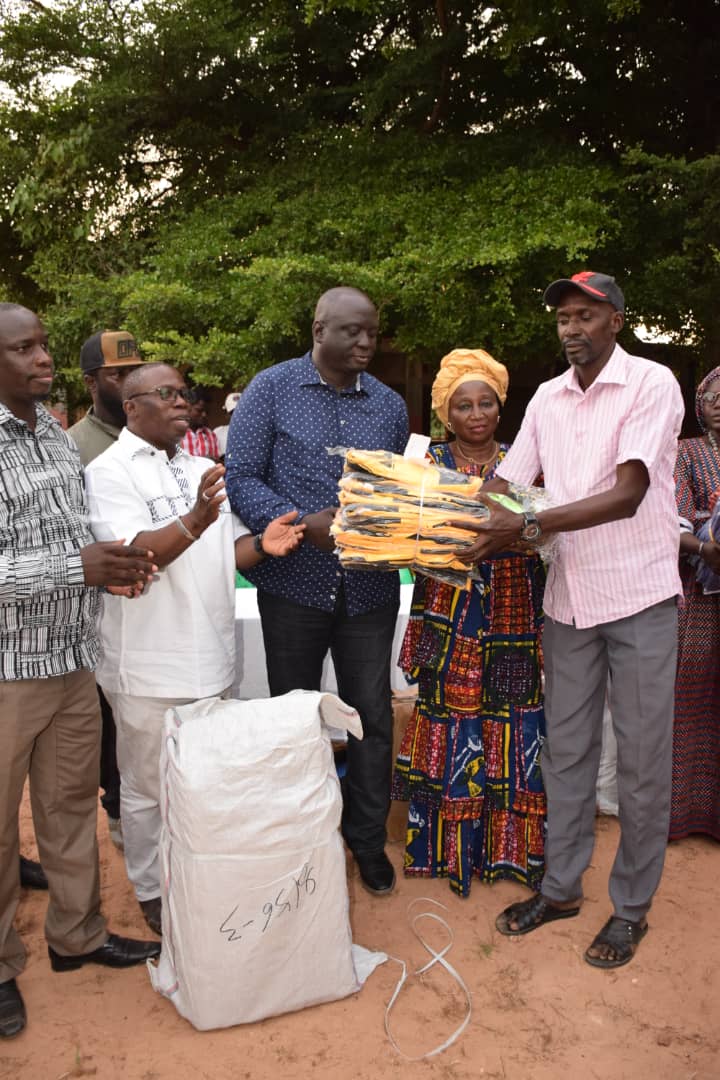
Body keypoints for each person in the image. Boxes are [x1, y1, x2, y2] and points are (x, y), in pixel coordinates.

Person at [458, 272, 683, 969]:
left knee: (641, 763)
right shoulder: (547, 399)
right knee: (567, 752)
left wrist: (525, 525)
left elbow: (628, 493)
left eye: (585, 315)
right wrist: (444, 518)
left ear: (616, 320)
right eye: (563, 318)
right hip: (569, 602)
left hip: (638, 597)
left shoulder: (651, 384)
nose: (571, 329)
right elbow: (506, 484)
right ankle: (560, 891)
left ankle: (631, 908)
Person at [85, 363, 304, 935]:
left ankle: (196, 872)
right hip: (149, 666)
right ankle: (152, 888)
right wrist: (196, 519)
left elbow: (223, 553)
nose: (182, 402)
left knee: (203, 781)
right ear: (131, 406)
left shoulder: (199, 469)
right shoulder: (108, 471)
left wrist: (263, 545)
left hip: (212, 656)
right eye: (166, 394)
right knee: (146, 788)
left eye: (184, 393)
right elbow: (136, 555)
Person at [0, 304, 161, 1041]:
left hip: (72, 659)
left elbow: (81, 537)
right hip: (9, 669)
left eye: (43, 345)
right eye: (23, 348)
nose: (43, 359)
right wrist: (77, 567)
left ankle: (78, 935)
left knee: (68, 808)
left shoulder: (54, 436)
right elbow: (64, 558)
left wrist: (115, 569)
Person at [225, 286, 409, 895]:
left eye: (372, 333)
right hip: (292, 587)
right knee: (294, 716)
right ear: (318, 329)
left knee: (370, 717)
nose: (365, 343)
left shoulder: (388, 405)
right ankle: (301, 834)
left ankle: (366, 840)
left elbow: (395, 491)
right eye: (352, 331)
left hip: (369, 591)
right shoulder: (270, 389)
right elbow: (241, 476)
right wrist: (302, 525)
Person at [392, 349, 547, 897]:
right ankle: (445, 853)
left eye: (486, 403)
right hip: (448, 609)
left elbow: (546, 533)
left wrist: (517, 534)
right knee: (449, 719)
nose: (476, 414)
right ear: (446, 412)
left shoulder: (522, 460)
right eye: (464, 405)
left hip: (512, 608)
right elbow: (403, 535)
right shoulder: (424, 462)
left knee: (512, 721)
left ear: (500, 407)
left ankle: (509, 855)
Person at [68, 329, 147, 852]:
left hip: (154, 606)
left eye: (135, 371)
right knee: (107, 719)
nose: (129, 382)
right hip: (97, 609)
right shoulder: (73, 446)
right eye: (117, 375)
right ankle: (116, 806)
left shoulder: (157, 436)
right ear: (92, 382)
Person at [670, 366, 720, 840]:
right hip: (702, 592)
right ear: (699, 406)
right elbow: (673, 522)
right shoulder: (685, 452)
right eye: (711, 396)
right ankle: (683, 815)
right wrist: (708, 547)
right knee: (690, 694)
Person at [181, 389, 220, 459]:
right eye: (199, 410)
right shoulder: (176, 434)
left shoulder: (211, 435)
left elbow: (216, 462)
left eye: (207, 411)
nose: (204, 415)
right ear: (187, 407)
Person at [214, 391, 241, 459]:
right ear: (226, 414)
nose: (238, 415)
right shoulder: (218, 432)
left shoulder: (256, 431)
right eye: (233, 412)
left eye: (241, 411)